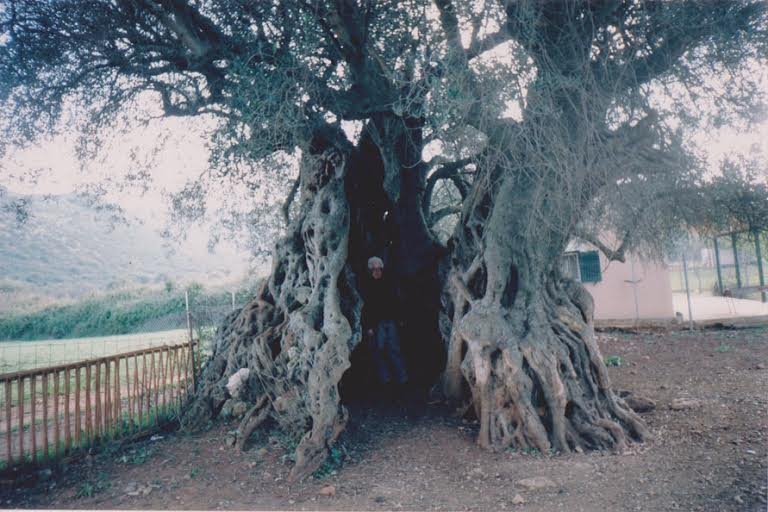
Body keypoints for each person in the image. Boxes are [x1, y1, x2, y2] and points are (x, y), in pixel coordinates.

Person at [362, 256, 408, 390]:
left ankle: (402, 379)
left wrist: (400, 319)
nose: (377, 272)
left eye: (379, 269)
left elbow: (396, 302)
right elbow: (366, 308)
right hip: (376, 325)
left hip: (390, 322)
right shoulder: (367, 287)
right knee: (378, 351)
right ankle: (386, 380)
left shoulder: (388, 284)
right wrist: (369, 326)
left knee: (394, 349)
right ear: (369, 271)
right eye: (373, 269)